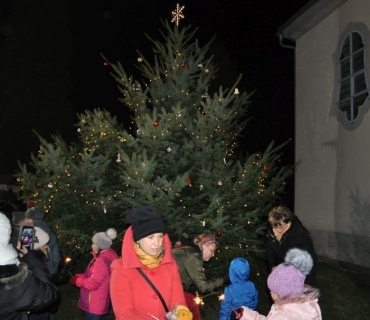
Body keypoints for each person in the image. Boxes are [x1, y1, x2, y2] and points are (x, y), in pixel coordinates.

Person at [110, 206, 192, 320]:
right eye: (150, 237)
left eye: (160, 237)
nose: (157, 243)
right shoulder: (121, 268)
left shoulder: (170, 265)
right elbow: (124, 313)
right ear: (137, 240)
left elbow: (177, 301)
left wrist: (180, 312)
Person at [230, 248, 321, 320]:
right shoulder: (306, 306)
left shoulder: (282, 316)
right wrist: (244, 314)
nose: (270, 293)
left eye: (272, 290)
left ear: (281, 293)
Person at [0, 212, 59, 320]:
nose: (29, 225)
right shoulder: (15, 278)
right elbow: (48, 294)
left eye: (31, 223)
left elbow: (54, 259)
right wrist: (32, 260)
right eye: (26, 222)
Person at [172, 233, 225, 320]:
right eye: (212, 251)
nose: (213, 255)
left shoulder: (189, 251)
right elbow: (203, 287)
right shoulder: (194, 256)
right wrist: (223, 279)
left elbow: (180, 273)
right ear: (204, 246)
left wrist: (188, 286)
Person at [70, 228, 118, 319]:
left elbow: (93, 283)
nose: (92, 245)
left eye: (94, 244)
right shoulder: (105, 255)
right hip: (96, 299)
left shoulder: (102, 261)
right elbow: (94, 274)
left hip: (93, 302)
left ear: (100, 246)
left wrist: (78, 280)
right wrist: (79, 276)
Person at [266, 205, 317, 285]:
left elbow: (311, 259)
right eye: (275, 226)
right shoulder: (272, 233)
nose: (278, 229)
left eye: (281, 226)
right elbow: (270, 252)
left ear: (289, 221)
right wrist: (273, 266)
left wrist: (307, 283)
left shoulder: (300, 234)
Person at [25, 207, 61, 277]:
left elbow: (25, 253)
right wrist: (53, 269)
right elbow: (56, 254)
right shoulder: (50, 233)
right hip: (48, 270)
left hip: (32, 272)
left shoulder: (27, 232)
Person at [28, 226, 53, 320]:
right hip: (37, 309)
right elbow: (47, 292)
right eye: (45, 244)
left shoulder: (28, 258)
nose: (47, 246)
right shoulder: (37, 263)